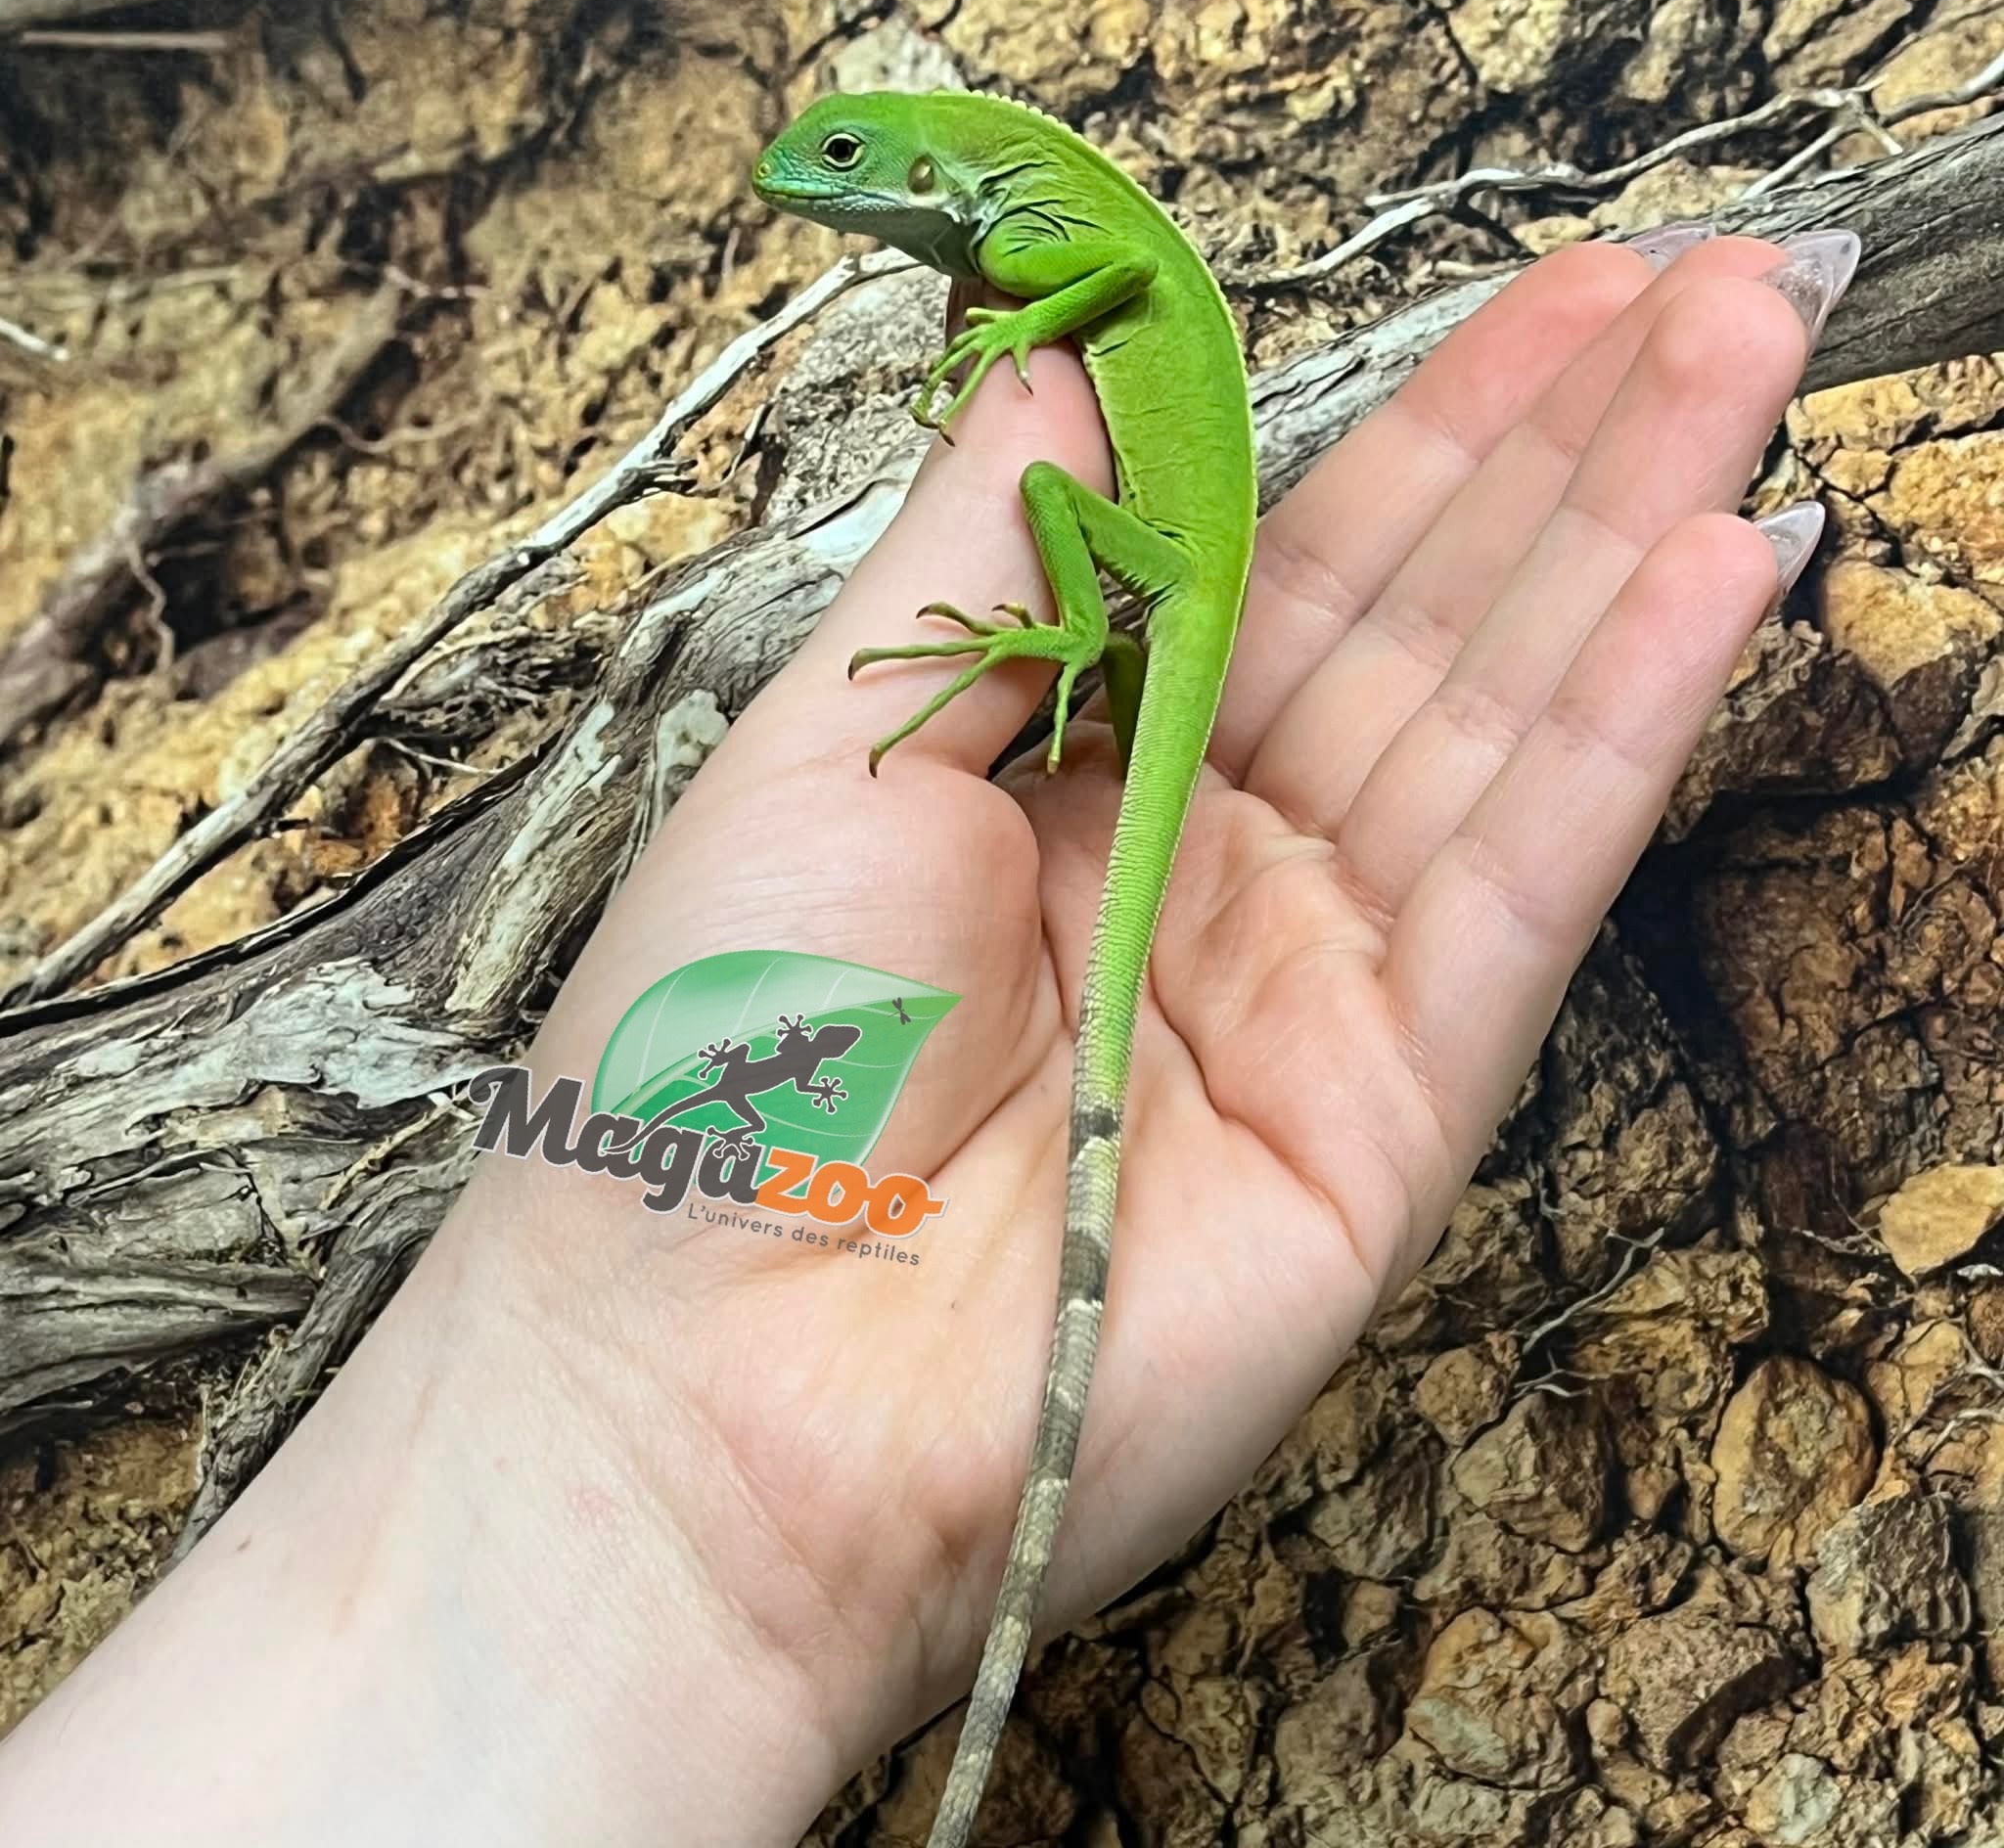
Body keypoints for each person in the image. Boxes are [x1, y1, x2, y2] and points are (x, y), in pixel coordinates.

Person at [0, 225, 1847, 1844]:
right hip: (1174, 624)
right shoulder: (1027, 230)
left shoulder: (1056, 236)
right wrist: (614, 1422)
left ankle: (1072, 649)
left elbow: (1111, 276)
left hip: (1180, 600)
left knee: (1046, 507)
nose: (816, 198)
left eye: (845, 165)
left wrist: (1024, 374)